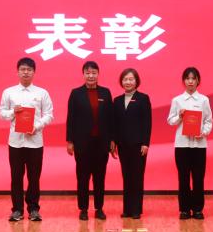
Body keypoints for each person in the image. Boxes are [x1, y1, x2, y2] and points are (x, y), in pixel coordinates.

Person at [0, 57, 54, 222]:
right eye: (23, 69)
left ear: (34, 72)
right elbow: (1, 113)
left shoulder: (42, 93)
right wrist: (12, 112)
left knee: (34, 178)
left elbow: (49, 115)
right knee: (16, 177)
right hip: (15, 142)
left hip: (35, 141)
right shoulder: (9, 92)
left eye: (29, 70)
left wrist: (36, 126)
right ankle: (17, 210)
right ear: (18, 72)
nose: (26, 72)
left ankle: (34, 209)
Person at [65, 61, 115, 221]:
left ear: (98, 74)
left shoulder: (106, 93)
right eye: (88, 73)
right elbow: (71, 118)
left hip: (101, 144)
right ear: (83, 74)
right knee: (83, 177)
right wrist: (70, 141)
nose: (91, 76)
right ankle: (83, 209)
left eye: (94, 73)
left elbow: (111, 118)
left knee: (100, 177)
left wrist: (112, 139)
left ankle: (99, 208)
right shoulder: (76, 93)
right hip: (82, 144)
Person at [166, 66, 212, 220]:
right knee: (183, 178)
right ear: (183, 81)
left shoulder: (204, 100)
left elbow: (209, 121)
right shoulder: (177, 100)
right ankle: (184, 209)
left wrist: (203, 132)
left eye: (193, 78)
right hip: (182, 145)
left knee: (198, 178)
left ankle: (198, 209)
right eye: (187, 78)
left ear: (198, 81)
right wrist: (179, 116)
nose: (190, 81)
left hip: (199, 145)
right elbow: (170, 121)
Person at [113, 68, 152, 220]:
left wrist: (145, 143)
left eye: (131, 79)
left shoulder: (143, 98)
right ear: (121, 82)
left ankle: (136, 210)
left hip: (138, 145)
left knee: (137, 177)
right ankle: (127, 209)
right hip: (123, 145)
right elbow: (115, 123)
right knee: (126, 177)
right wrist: (114, 142)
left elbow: (147, 122)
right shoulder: (117, 100)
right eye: (125, 79)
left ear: (136, 81)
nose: (128, 82)